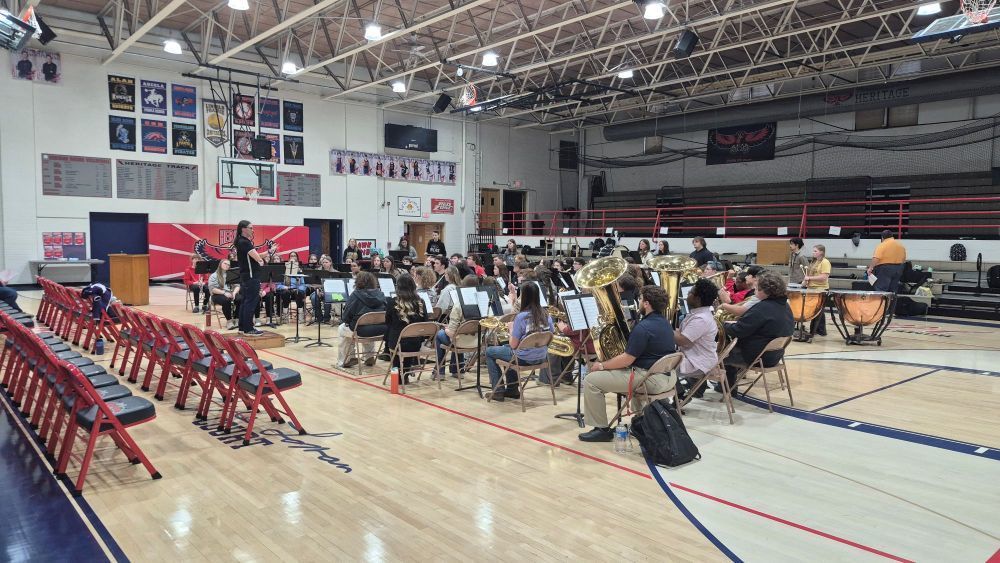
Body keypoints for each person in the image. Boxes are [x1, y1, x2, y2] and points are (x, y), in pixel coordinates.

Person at [579, 285, 676, 442]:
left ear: (646, 303)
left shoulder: (644, 327)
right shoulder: (665, 323)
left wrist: (601, 365)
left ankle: (601, 429)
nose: (638, 302)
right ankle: (641, 421)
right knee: (633, 371)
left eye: (640, 299)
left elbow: (627, 359)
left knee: (591, 381)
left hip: (651, 380)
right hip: (669, 377)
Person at [723, 271, 795, 390]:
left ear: (765, 291)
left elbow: (738, 331)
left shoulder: (762, 307)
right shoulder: (785, 306)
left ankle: (724, 389)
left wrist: (723, 325)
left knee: (720, 352)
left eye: (757, 288)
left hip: (756, 358)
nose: (755, 291)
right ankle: (728, 387)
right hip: (774, 356)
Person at [485, 283, 554, 402]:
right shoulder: (547, 315)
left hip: (524, 358)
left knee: (489, 351)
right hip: (542, 357)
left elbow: (513, 345)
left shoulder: (521, 317)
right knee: (506, 349)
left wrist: (511, 329)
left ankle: (498, 391)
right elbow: (550, 334)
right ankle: (512, 389)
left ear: (524, 297)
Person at [674, 279, 720, 400]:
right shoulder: (698, 314)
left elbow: (682, 340)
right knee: (661, 360)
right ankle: (679, 393)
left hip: (698, 362)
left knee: (660, 367)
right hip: (693, 356)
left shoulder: (701, 319)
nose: (687, 295)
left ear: (697, 299)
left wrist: (663, 325)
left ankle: (679, 395)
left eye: (690, 292)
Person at [383, 274, 428, 381]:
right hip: (416, 343)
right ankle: (405, 375)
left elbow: (388, 321)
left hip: (397, 343)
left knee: (394, 341)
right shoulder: (420, 302)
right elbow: (425, 322)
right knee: (407, 341)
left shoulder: (392, 302)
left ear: (398, 287)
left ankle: (396, 378)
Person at [337, 271, 387, 368]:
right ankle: (369, 357)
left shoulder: (355, 295)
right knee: (369, 323)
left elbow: (346, 317)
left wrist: (347, 321)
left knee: (342, 328)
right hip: (381, 330)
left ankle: (347, 359)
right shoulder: (381, 294)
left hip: (361, 331)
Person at [435, 275, 480, 379]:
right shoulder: (481, 302)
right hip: (477, 341)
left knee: (440, 334)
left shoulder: (458, 304)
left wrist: (446, 329)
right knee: (458, 334)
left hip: (460, 341)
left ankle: (440, 372)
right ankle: (458, 370)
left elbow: (452, 333)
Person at [234, 221, 265, 336]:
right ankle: (248, 329)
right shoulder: (245, 242)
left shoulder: (240, 241)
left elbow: (254, 255)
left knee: (245, 302)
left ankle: (242, 328)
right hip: (251, 276)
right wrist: (261, 260)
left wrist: (268, 253)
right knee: (250, 303)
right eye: (251, 228)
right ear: (243, 229)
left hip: (246, 277)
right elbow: (257, 258)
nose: (253, 230)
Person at [802, 244, 831, 340]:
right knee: (816, 310)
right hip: (811, 288)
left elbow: (824, 277)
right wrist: (805, 281)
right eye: (813, 251)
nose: (813, 252)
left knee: (818, 310)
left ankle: (816, 331)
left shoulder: (825, 262)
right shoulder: (814, 261)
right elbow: (809, 275)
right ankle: (819, 330)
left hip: (821, 289)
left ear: (821, 252)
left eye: (815, 251)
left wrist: (810, 278)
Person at [208, 259, 240, 330]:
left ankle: (236, 319)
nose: (227, 265)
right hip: (217, 294)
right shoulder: (214, 275)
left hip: (230, 293)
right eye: (225, 263)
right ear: (220, 264)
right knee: (226, 300)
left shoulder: (232, 274)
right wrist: (224, 293)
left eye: (228, 265)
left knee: (240, 299)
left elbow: (237, 286)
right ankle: (229, 321)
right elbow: (213, 289)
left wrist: (234, 293)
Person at [307, 255, 337, 325]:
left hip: (330, 292)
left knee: (327, 298)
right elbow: (314, 283)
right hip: (319, 291)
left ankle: (326, 318)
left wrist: (325, 291)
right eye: (323, 262)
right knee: (314, 298)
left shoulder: (335, 272)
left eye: (326, 262)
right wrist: (318, 290)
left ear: (330, 263)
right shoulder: (318, 271)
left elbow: (335, 286)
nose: (324, 264)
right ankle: (319, 317)